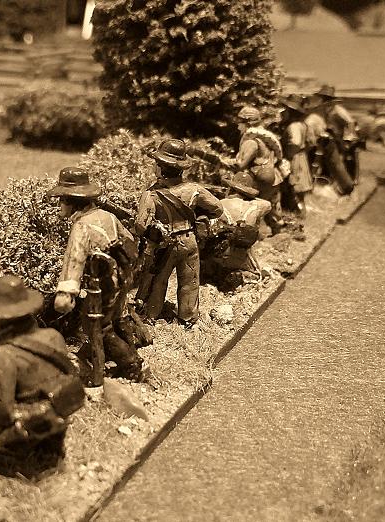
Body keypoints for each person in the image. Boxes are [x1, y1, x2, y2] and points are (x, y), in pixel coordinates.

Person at [0, 275, 85, 449]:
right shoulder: (54, 336)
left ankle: (18, 449)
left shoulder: (4, 354)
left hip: (29, 420)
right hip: (57, 411)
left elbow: (1, 407)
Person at [49, 167, 146, 382]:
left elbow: (74, 262)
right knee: (115, 318)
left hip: (103, 284)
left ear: (72, 201)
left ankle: (130, 363)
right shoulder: (108, 216)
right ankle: (96, 355)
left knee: (97, 326)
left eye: (62, 200)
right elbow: (129, 240)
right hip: (121, 277)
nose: (59, 205)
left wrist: (66, 294)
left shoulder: (81, 227)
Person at [135, 139, 223, 326]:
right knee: (190, 281)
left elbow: (140, 226)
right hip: (190, 240)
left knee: (158, 281)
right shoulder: (194, 190)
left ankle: (151, 315)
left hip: (165, 245)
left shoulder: (150, 195)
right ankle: (188, 317)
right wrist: (199, 216)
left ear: (161, 168)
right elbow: (217, 209)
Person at [200, 171, 271, 291]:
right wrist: (249, 194)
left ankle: (216, 274)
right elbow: (267, 204)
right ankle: (240, 276)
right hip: (241, 255)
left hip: (220, 252)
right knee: (255, 274)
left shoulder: (221, 203)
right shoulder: (255, 206)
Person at [228, 105, 286, 234]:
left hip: (258, 180)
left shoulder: (251, 142)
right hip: (274, 177)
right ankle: (278, 231)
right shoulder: (265, 139)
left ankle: (256, 235)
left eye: (240, 123)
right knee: (273, 207)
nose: (238, 127)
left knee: (254, 208)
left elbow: (241, 165)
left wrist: (226, 162)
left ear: (247, 123)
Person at [279, 98, 314, 216]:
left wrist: (288, 155)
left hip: (294, 158)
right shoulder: (303, 125)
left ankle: (296, 212)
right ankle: (298, 211)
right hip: (301, 156)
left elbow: (295, 142)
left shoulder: (293, 126)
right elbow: (311, 142)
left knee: (294, 184)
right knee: (298, 187)